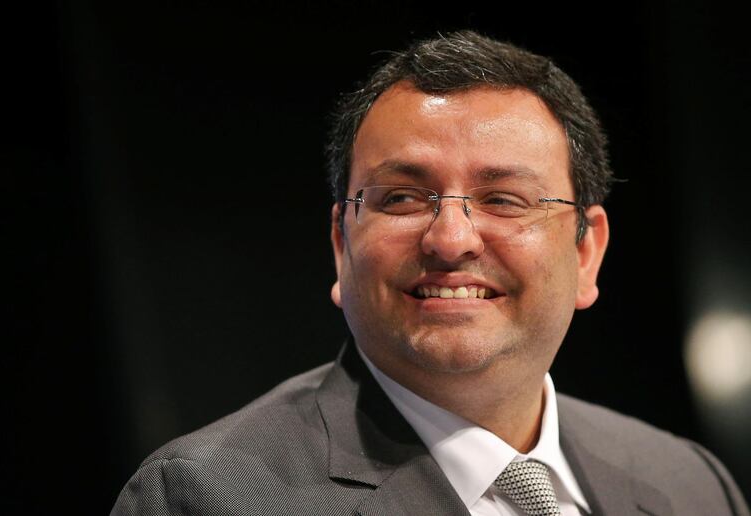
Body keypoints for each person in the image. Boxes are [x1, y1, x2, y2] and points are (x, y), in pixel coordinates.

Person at [112, 30, 749, 515]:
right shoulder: (208, 497)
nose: (450, 239)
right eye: (401, 198)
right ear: (340, 244)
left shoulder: (690, 483)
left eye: (504, 199)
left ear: (586, 253)